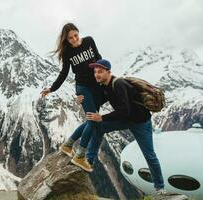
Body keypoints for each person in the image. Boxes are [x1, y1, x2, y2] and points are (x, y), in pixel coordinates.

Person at [77, 58, 166, 194]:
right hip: (126, 119)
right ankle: (89, 160)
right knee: (98, 127)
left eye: (100, 71)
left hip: (140, 122)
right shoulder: (105, 86)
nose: (97, 75)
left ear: (108, 72)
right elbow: (98, 101)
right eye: (95, 72)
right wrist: (82, 100)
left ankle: (160, 188)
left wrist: (102, 117)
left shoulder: (118, 84)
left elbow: (125, 111)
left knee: (149, 155)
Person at [40, 23, 102, 172]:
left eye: (75, 36)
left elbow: (99, 59)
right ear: (66, 40)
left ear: (78, 33)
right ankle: (80, 155)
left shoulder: (89, 41)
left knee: (91, 120)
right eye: (70, 38)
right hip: (83, 88)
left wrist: (106, 78)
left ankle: (68, 145)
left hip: (96, 86)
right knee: (93, 120)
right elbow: (64, 73)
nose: (74, 40)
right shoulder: (67, 53)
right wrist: (52, 88)